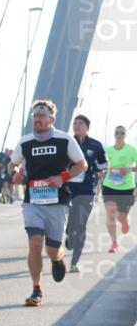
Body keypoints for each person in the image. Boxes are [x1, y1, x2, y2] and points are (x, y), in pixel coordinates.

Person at [9, 100, 87, 306]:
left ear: (51, 119)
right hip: (33, 201)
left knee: (52, 248)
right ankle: (36, 290)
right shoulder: (25, 142)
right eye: (35, 117)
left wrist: (63, 177)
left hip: (58, 200)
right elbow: (13, 164)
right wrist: (15, 174)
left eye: (41, 117)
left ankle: (57, 258)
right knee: (35, 242)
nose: (37, 121)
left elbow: (82, 165)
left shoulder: (65, 139)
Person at [64, 114, 107, 270]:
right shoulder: (67, 142)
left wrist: (93, 168)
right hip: (68, 187)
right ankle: (69, 232)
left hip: (87, 189)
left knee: (81, 225)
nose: (76, 125)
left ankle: (75, 262)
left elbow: (103, 164)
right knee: (71, 219)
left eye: (80, 123)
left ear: (87, 127)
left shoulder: (96, 145)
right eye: (74, 123)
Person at [102, 125, 137, 253]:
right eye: (117, 132)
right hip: (109, 186)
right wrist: (105, 170)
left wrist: (128, 169)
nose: (119, 134)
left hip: (126, 188)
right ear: (114, 135)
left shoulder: (131, 150)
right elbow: (102, 164)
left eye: (122, 132)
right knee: (110, 214)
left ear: (125, 135)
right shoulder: (109, 150)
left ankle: (124, 222)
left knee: (120, 217)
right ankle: (114, 243)